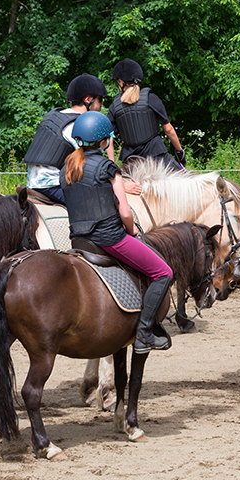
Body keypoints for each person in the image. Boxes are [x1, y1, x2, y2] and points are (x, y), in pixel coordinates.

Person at [60, 111, 173, 353]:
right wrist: (130, 233)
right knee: (163, 272)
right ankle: (144, 333)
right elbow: (125, 212)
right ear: (104, 141)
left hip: (79, 240)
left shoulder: (66, 169)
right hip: (110, 239)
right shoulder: (108, 167)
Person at [24, 73, 113, 205]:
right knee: (98, 206)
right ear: (88, 99)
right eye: (100, 100)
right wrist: (117, 181)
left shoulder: (54, 115)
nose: (101, 105)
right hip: (52, 186)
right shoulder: (78, 125)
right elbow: (94, 165)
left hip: (34, 182)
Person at [108, 58, 185, 170]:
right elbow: (169, 129)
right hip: (158, 158)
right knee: (185, 183)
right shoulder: (151, 98)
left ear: (121, 82)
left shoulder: (114, 106)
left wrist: (112, 164)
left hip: (131, 164)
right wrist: (179, 151)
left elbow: (108, 137)